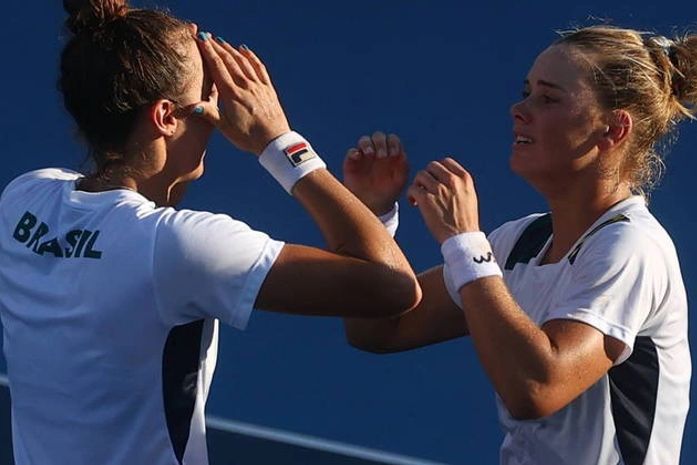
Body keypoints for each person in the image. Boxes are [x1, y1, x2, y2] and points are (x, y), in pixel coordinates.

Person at [0, 1, 422, 464]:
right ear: (165, 116)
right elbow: (393, 286)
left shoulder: (23, 200)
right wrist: (277, 141)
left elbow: (127, 234)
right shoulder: (177, 246)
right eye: (211, 96)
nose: (222, 115)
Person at [344, 26, 694, 465]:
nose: (518, 109)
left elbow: (536, 387)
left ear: (612, 129)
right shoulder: (519, 242)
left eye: (548, 98)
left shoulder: (632, 247)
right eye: (526, 92)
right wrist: (371, 216)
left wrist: (463, 240)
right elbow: (379, 329)